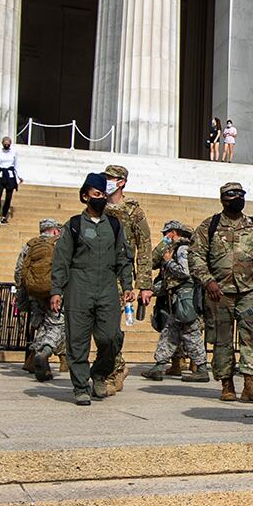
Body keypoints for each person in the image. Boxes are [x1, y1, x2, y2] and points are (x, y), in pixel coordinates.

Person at [49, 172, 133, 405]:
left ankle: (99, 374)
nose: (101, 198)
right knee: (77, 340)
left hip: (106, 286)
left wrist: (127, 284)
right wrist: (56, 289)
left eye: (103, 194)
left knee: (110, 338)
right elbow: (61, 260)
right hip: (79, 286)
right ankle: (80, 386)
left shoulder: (114, 225)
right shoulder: (74, 225)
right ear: (85, 196)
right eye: (96, 194)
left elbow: (123, 257)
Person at [191, 181, 253, 403]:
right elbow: (195, 255)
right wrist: (208, 281)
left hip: (249, 290)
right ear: (223, 199)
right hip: (219, 293)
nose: (237, 198)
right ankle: (226, 384)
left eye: (241, 194)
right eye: (232, 195)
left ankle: (251, 384)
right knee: (222, 340)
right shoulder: (210, 226)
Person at [100, 164, 152, 395]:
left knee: (109, 327)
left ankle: (113, 371)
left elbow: (145, 247)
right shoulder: (97, 204)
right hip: (96, 273)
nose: (106, 181)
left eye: (110, 178)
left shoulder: (133, 211)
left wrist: (144, 285)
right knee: (99, 327)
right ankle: (117, 366)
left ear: (121, 182)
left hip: (122, 278)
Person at [142, 222, 208, 379]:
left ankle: (201, 369)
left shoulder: (183, 249)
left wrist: (169, 261)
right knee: (169, 333)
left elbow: (185, 272)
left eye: (166, 234)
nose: (164, 238)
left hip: (186, 298)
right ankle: (158, 367)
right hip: (178, 298)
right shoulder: (175, 249)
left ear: (173, 233)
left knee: (191, 333)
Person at [14, 219, 65, 381]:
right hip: (55, 293)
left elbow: (19, 270)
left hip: (34, 293)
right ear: (55, 230)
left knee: (41, 325)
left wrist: (22, 292)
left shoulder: (30, 245)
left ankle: (34, 356)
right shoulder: (58, 244)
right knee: (57, 325)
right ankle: (44, 352)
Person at [0, 135, 20, 229]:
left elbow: (16, 166)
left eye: (8, 143)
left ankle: (4, 216)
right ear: (2, 143)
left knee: (8, 197)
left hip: (10, 176)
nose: (6, 145)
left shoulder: (14, 153)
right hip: (0, 175)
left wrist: (19, 177)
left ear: (10, 144)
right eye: (5, 143)